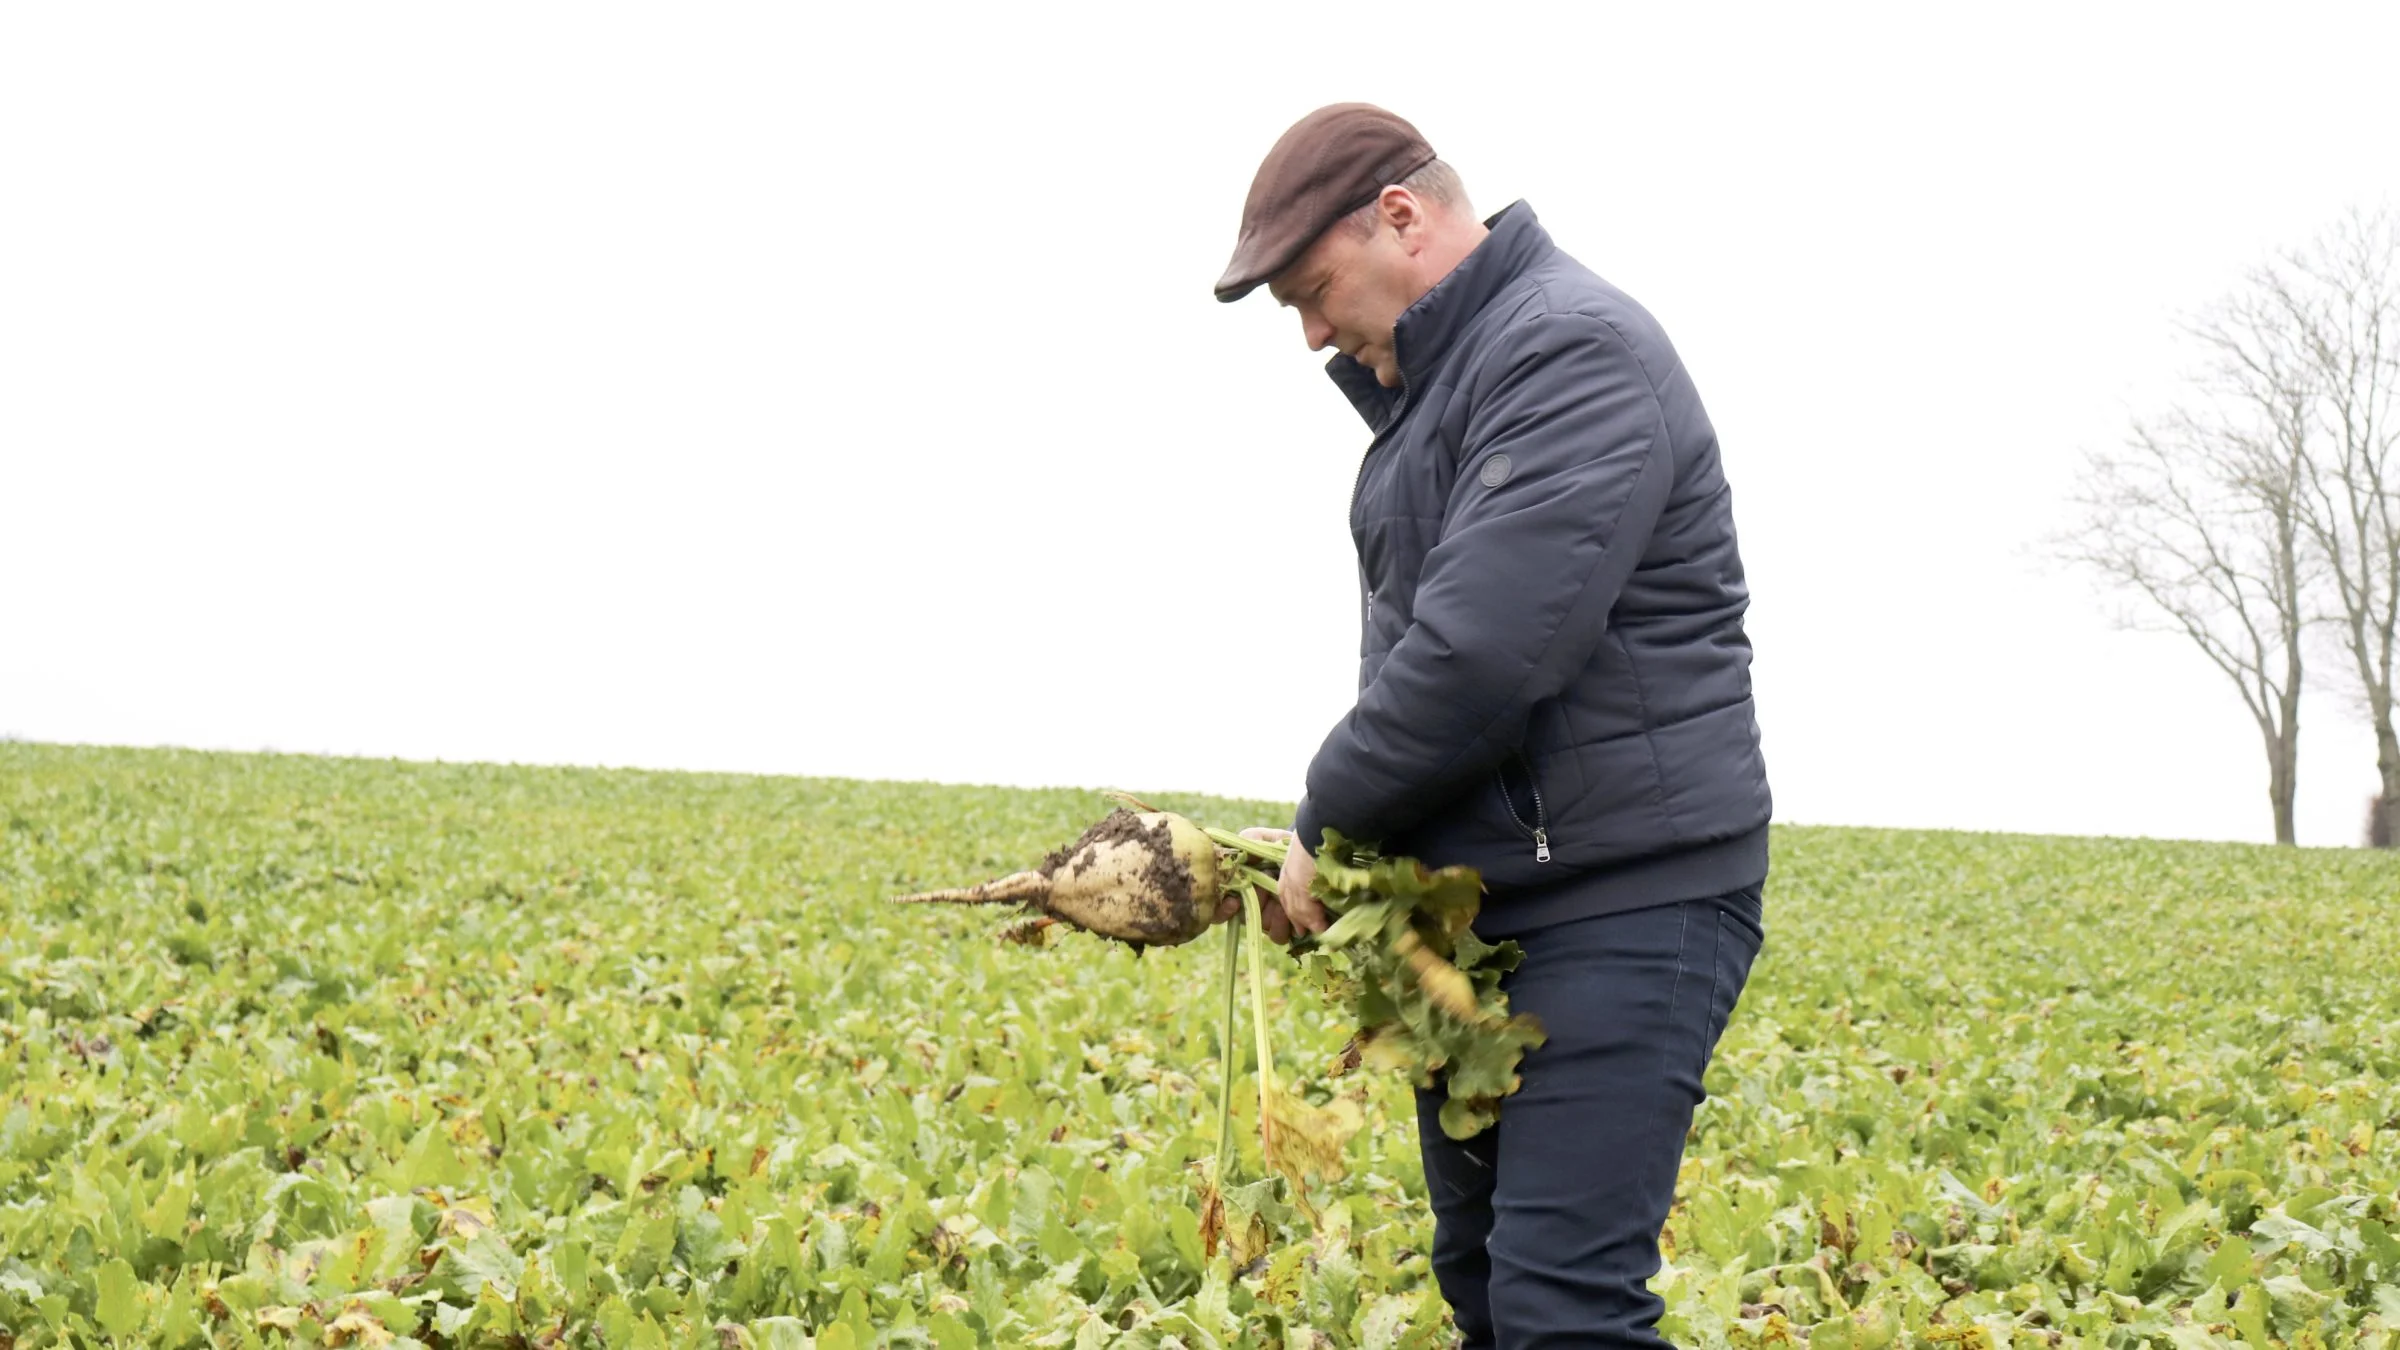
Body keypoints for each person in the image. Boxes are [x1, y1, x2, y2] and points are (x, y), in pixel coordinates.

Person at [1211, 103, 1773, 1347]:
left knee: (1562, 1307)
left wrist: (1327, 818)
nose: (1309, 335)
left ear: (1401, 219)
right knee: (1486, 1289)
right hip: (1492, 915)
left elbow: (1481, 658)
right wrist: (1347, 845)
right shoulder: (1441, 389)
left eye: (1313, 291)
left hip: (1625, 901)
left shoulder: (1568, 352)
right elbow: (1428, 661)